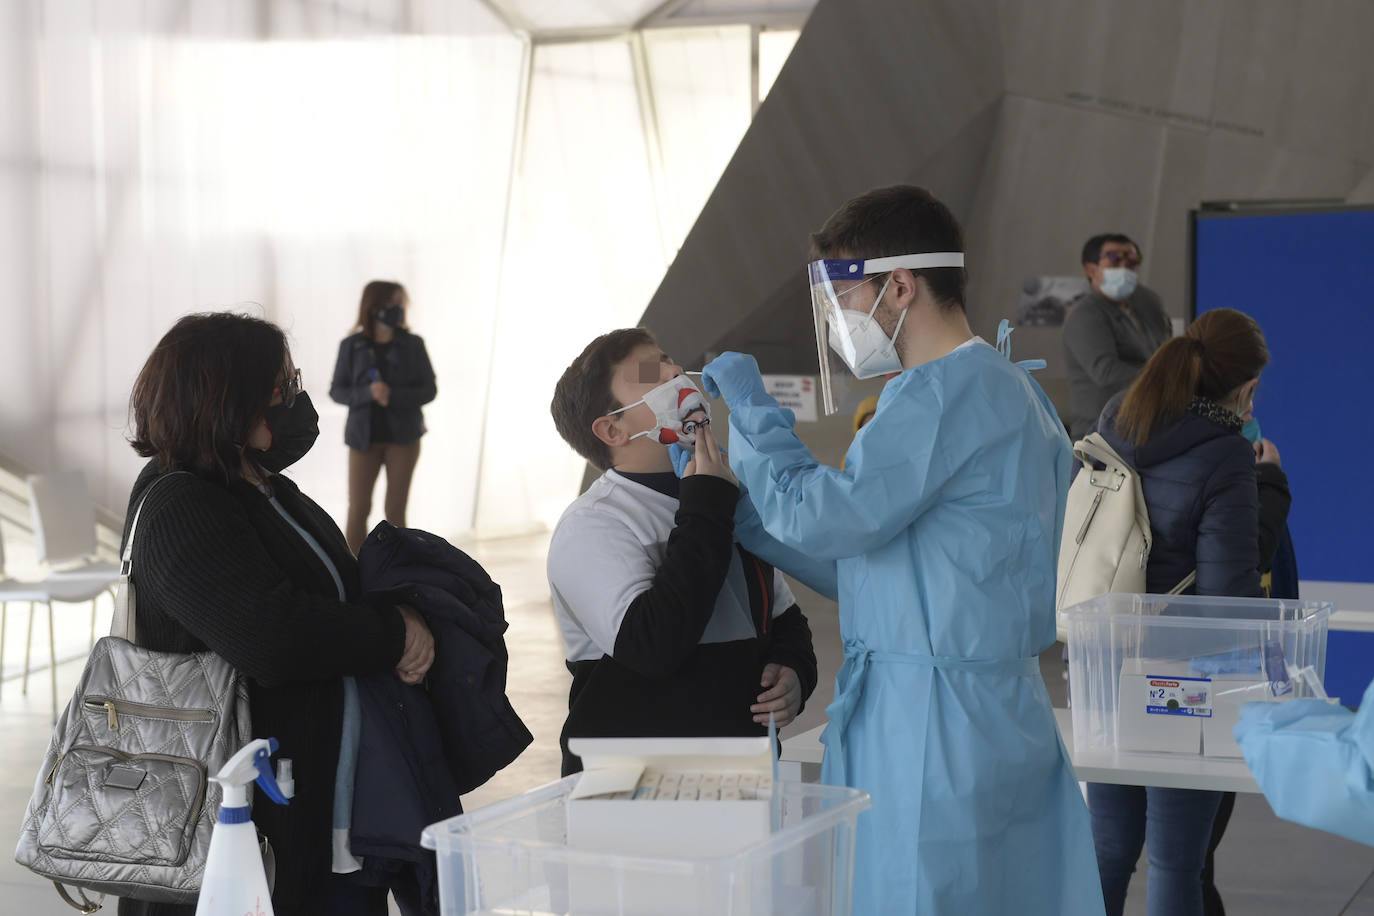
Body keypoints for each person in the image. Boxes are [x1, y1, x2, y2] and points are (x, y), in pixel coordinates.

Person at [696, 185, 1104, 913]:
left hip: (928, 724)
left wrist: (754, 417)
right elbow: (888, 569)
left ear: (899, 286)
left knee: (916, 894)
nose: (836, 322)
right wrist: (747, 520)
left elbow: (829, 520)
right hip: (994, 709)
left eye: (841, 298)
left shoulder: (934, 395)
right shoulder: (1016, 392)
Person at [120, 313, 435, 916]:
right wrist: (394, 635)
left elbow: (326, 595)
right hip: (237, 819)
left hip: (311, 803)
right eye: (281, 384)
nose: (295, 396)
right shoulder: (181, 500)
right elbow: (273, 636)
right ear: (227, 397)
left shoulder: (257, 483)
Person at [547, 328, 819, 775]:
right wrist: (708, 505)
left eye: (669, 360)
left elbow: (783, 617)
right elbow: (651, 647)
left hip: (741, 776)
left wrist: (793, 669)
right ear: (613, 427)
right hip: (632, 788)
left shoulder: (724, 498)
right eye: (651, 374)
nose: (676, 372)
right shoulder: (594, 524)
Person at [1085, 307, 1279, 916]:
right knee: (1175, 861)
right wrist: (1270, 486)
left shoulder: (1116, 419)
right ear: (1246, 388)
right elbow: (1225, 608)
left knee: (1108, 851)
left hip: (1106, 661)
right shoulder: (1226, 455)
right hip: (1182, 680)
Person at [330, 280, 437, 554]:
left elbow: (429, 389)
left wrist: (394, 395)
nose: (400, 310)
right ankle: (352, 568)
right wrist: (368, 393)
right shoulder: (351, 345)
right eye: (394, 304)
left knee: (396, 508)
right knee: (358, 508)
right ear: (374, 307)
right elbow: (337, 391)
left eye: (402, 304)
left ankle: (397, 568)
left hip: (404, 438)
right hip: (362, 438)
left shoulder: (413, 344)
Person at [1063, 234, 1173, 439]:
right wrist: (1166, 382)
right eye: (1114, 259)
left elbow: (1167, 353)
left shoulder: (1148, 302)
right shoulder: (1084, 314)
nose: (1124, 268)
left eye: (1131, 262)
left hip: (1151, 428)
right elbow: (1106, 372)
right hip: (1102, 435)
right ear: (1090, 269)